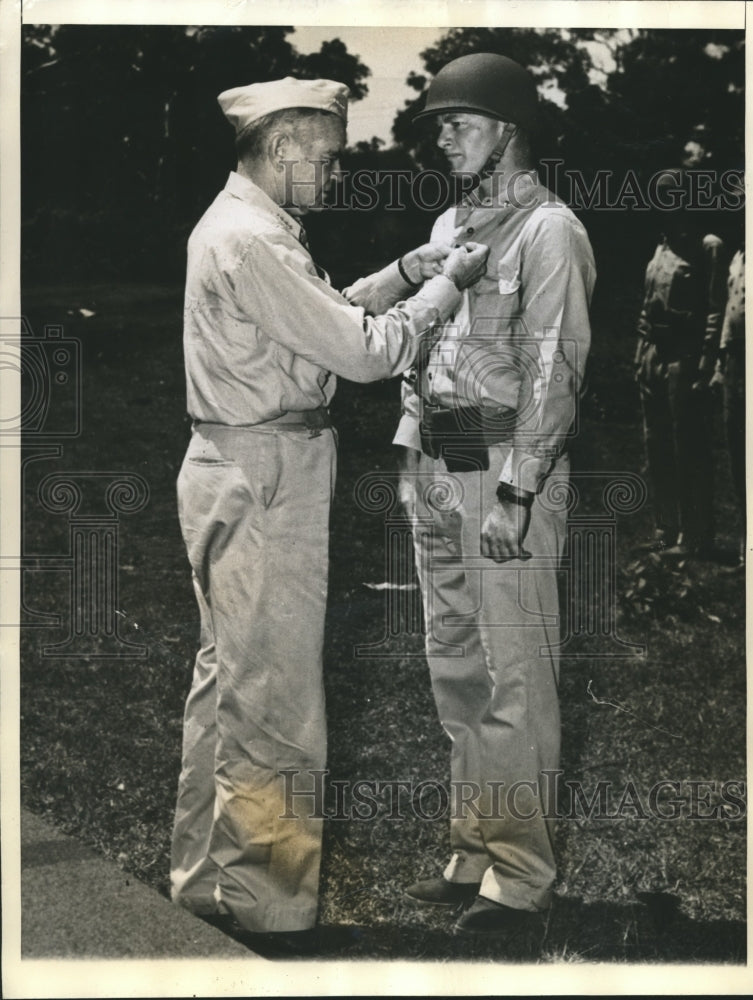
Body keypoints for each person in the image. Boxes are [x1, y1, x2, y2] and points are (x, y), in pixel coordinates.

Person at [169, 74, 489, 952]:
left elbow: (315, 317)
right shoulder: (254, 239)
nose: (337, 172)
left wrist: (398, 274)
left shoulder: (249, 228)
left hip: (233, 462)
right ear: (281, 148)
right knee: (275, 699)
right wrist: (445, 288)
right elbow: (359, 352)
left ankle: (201, 883)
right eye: (329, 156)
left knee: (228, 686)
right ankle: (270, 911)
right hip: (267, 471)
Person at [393, 53, 595, 938]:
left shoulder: (551, 231)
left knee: (516, 676)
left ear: (508, 127)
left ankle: (520, 877)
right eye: (438, 123)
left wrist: (518, 491)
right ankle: (474, 848)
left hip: (507, 472)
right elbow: (425, 353)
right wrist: (410, 460)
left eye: (460, 121)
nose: (443, 136)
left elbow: (555, 368)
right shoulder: (451, 222)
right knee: (457, 671)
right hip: (439, 469)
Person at [634, 169, 726, 557]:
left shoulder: (708, 246)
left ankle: (695, 535)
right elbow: (646, 305)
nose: (664, 203)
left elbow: (714, 309)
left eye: (671, 196)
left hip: (686, 355)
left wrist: (706, 363)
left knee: (687, 444)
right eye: (658, 196)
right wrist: (640, 353)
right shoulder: (661, 246)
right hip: (654, 352)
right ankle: (664, 529)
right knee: (656, 444)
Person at [710, 243, 746, 568]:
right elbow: (729, 309)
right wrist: (721, 363)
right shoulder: (737, 257)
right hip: (734, 360)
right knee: (738, 453)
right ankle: (746, 546)